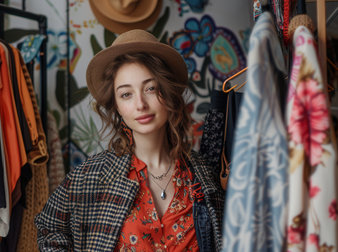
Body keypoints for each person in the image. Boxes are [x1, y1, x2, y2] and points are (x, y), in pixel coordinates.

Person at [35, 29, 224, 251]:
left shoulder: (204, 175)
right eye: (126, 94)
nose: (140, 104)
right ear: (116, 105)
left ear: (169, 92)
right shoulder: (90, 176)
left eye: (151, 88)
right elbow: (47, 228)